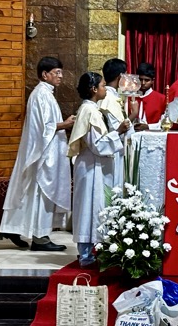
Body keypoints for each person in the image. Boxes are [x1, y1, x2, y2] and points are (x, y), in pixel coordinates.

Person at [0, 56, 75, 251]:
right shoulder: (41, 95)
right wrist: (65, 124)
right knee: (41, 193)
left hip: (44, 150)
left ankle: (12, 228)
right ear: (45, 74)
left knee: (30, 193)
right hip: (43, 154)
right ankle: (40, 238)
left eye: (61, 72)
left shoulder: (44, 93)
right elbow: (45, 127)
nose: (61, 76)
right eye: (57, 72)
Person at [68, 72, 130, 268]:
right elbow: (98, 145)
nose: (105, 89)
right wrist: (118, 132)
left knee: (95, 209)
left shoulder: (93, 109)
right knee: (89, 209)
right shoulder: (89, 111)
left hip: (93, 166)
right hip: (90, 168)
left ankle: (92, 252)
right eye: (103, 85)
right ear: (94, 89)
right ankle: (86, 255)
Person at [99, 58, 137, 188]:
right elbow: (117, 130)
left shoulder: (109, 96)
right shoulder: (109, 99)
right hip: (113, 152)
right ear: (120, 77)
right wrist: (133, 114)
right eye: (125, 75)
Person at [134, 62, 166, 130]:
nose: (143, 83)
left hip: (154, 133)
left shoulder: (161, 99)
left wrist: (148, 126)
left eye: (147, 80)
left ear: (152, 81)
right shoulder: (130, 97)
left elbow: (165, 122)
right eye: (140, 79)